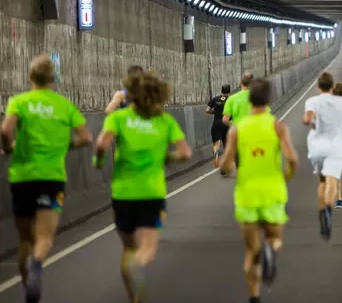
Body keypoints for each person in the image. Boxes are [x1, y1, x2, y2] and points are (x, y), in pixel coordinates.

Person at [93, 70, 193, 303]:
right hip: (151, 193)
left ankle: (135, 298)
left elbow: (101, 144)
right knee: (146, 249)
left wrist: (98, 161)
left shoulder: (117, 118)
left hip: (123, 193)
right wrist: (167, 158)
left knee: (128, 249)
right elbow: (186, 153)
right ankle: (140, 264)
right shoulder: (164, 121)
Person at [1, 55, 92, 303]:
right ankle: (36, 266)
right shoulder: (64, 105)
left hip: (22, 177)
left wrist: (9, 148)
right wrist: (63, 145)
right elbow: (86, 137)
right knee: (43, 237)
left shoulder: (19, 101)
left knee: (24, 238)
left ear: (30, 76)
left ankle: (27, 283)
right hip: (51, 177)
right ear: (53, 79)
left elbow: (6, 130)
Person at [217, 78, 298, 303]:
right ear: (269, 100)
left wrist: (228, 168)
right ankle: (272, 249)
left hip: (246, 195)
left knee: (251, 252)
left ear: (250, 99)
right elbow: (292, 159)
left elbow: (226, 164)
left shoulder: (237, 129)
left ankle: (254, 296)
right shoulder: (277, 126)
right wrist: (286, 177)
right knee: (274, 238)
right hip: (273, 193)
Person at [303, 73, 342, 240]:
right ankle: (328, 207)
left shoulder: (312, 101)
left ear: (318, 86)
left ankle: (321, 212)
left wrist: (316, 125)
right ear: (333, 86)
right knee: (332, 179)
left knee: (322, 181)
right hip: (335, 147)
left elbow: (307, 119)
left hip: (317, 147)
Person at [207, 84, 231, 175]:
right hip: (227, 124)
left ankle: (216, 152)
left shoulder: (215, 99)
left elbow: (207, 110)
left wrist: (215, 112)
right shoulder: (231, 100)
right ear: (229, 91)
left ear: (221, 90)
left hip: (216, 123)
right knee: (226, 145)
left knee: (216, 142)